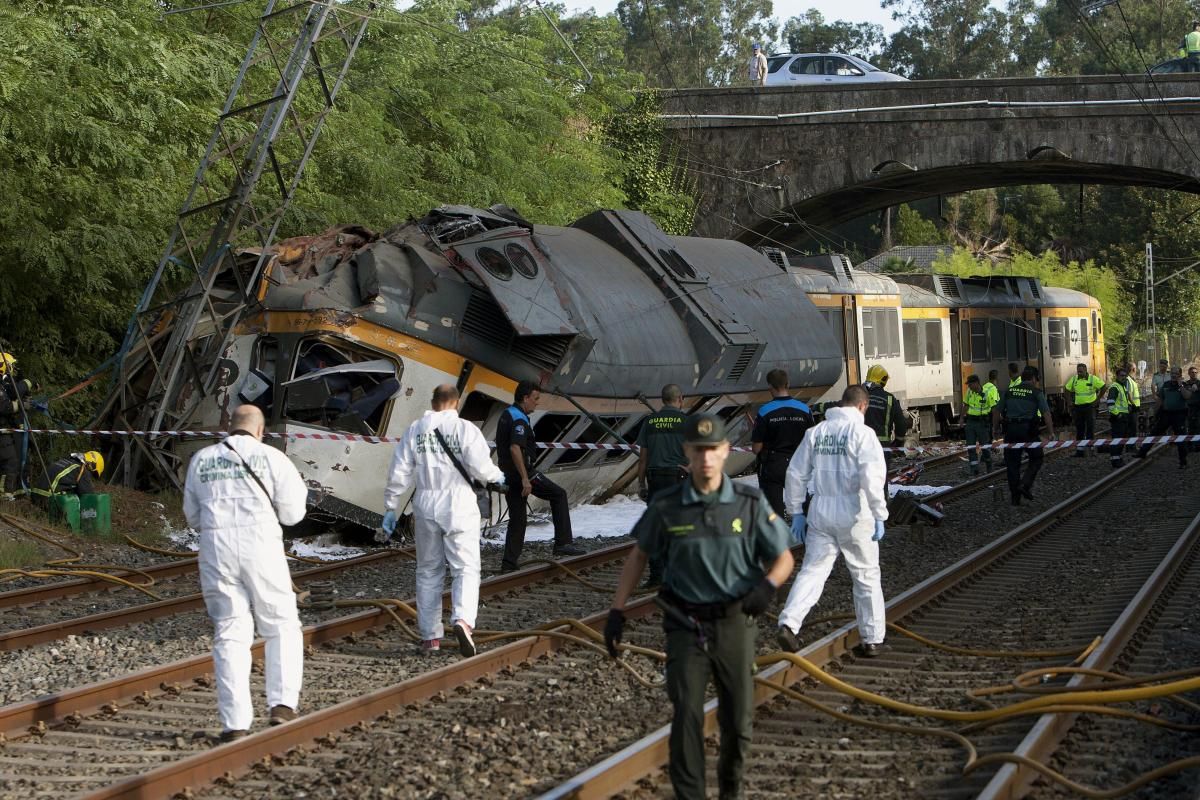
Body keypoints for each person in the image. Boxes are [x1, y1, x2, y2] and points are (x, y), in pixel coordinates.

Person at [604, 413, 793, 800]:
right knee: (687, 713)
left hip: (735, 623)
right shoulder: (669, 505)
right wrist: (617, 611)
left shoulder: (749, 503)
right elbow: (638, 556)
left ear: (725, 451)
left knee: (738, 721)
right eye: (698, 450)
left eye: (713, 450)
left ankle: (730, 790)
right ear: (687, 453)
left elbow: (784, 557)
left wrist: (767, 588)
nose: (706, 458)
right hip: (684, 625)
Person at [183, 405, 308, 742]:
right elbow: (294, 514)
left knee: (229, 630)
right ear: (260, 430)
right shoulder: (274, 458)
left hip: (215, 547)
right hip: (260, 544)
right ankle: (282, 705)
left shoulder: (202, 459)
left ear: (228, 427)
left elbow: (192, 517)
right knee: (280, 623)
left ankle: (235, 723)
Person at [379, 385, 506, 656]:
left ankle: (430, 637)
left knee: (428, 571)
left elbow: (399, 471)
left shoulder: (415, 429)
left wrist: (391, 506)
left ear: (432, 402)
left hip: (425, 502)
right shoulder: (465, 429)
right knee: (465, 568)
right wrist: (498, 477)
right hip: (458, 503)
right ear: (456, 402)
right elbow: (481, 467)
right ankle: (462, 620)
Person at [776, 384, 889, 658]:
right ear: (863, 406)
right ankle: (871, 639)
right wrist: (879, 513)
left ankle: (789, 623)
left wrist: (797, 511)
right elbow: (871, 477)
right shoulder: (863, 434)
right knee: (865, 575)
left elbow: (796, 473)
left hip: (821, 509)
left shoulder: (816, 432)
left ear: (841, 403)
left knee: (813, 570)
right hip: (855, 511)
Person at [498, 380, 582, 572]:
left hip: (508, 474)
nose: (537, 403)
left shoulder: (507, 414)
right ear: (525, 398)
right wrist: (525, 478)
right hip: (522, 474)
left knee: (518, 519)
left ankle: (509, 565)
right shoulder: (518, 418)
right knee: (558, 494)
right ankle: (562, 543)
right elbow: (514, 448)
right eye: (535, 399)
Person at [635, 383, 688, 588]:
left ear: (663, 400)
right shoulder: (686, 422)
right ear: (680, 399)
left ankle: (656, 577)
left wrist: (641, 483)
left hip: (655, 479)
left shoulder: (650, 421)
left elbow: (643, 458)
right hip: (678, 479)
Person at [751, 368, 814, 518]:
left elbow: (756, 448)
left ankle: (778, 539)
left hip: (773, 466)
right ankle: (806, 538)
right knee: (802, 510)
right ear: (788, 384)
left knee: (774, 514)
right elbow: (812, 441)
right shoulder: (804, 410)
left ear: (770, 387)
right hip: (798, 464)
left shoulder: (764, 411)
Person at [997, 366, 1055, 506]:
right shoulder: (1036, 392)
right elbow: (1046, 413)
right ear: (1034, 379)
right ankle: (1025, 484)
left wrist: (995, 429)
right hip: (1028, 430)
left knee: (1012, 464)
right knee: (1037, 457)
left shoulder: (1009, 391)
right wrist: (1051, 432)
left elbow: (996, 411)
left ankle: (1015, 498)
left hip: (1011, 430)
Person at [1136, 366, 1192, 468]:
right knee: (1154, 433)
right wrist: (1154, 412)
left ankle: (1183, 462)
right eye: (1172, 373)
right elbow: (1160, 399)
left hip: (1179, 415)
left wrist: (1180, 386)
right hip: (1166, 414)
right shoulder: (1166, 385)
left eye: (1176, 373)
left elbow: (1187, 396)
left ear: (1180, 375)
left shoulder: (1184, 384)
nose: (1174, 375)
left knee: (1180, 438)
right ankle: (1142, 452)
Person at [863, 365, 909, 487]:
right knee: (880, 482)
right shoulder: (889, 399)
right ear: (883, 380)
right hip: (881, 448)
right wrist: (898, 441)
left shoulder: (857, 397)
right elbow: (901, 423)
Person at [0, 353, 32, 498]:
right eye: (10, 365)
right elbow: (4, 406)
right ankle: (5, 496)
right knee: (11, 461)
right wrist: (20, 405)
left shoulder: (3, 384)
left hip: (5, 430)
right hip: (1, 431)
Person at [30, 450, 103, 505]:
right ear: (93, 466)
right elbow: (88, 497)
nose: (90, 477)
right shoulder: (81, 469)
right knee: (75, 499)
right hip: (48, 499)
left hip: (34, 495)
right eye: (93, 474)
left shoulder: (66, 461)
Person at [1064, 363, 1105, 457]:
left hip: (1090, 407)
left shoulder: (1092, 378)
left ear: (1086, 370)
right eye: (1078, 371)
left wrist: (1097, 400)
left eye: (1081, 371)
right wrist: (1069, 402)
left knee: (1090, 428)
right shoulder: (1074, 379)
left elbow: (1103, 387)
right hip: (1078, 408)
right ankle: (1079, 451)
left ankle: (1090, 450)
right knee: (1080, 429)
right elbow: (1066, 389)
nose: (1079, 373)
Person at [962, 375, 996, 475]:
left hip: (982, 422)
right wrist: (961, 418)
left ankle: (989, 465)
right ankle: (974, 469)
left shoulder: (986, 393)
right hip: (971, 422)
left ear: (977, 383)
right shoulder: (969, 392)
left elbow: (994, 409)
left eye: (970, 384)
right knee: (970, 446)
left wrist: (994, 424)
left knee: (985, 446)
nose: (969, 387)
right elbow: (966, 405)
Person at [1105, 366, 1134, 469]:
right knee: (1117, 439)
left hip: (1123, 417)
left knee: (1121, 439)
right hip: (1118, 418)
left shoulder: (1122, 386)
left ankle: (1118, 458)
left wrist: (1129, 407)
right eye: (1122, 375)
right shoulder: (1115, 387)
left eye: (1125, 376)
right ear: (1117, 376)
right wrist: (1118, 414)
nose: (1124, 377)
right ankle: (1115, 460)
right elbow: (1110, 403)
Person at [1184, 366, 1200, 451]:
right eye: (1192, 372)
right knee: (1190, 427)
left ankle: (1197, 446)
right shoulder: (1186, 384)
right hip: (1189, 408)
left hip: (1198, 408)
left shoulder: (1199, 383)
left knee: (1198, 427)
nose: (1194, 374)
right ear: (1189, 374)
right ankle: (1189, 446)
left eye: (1195, 372)